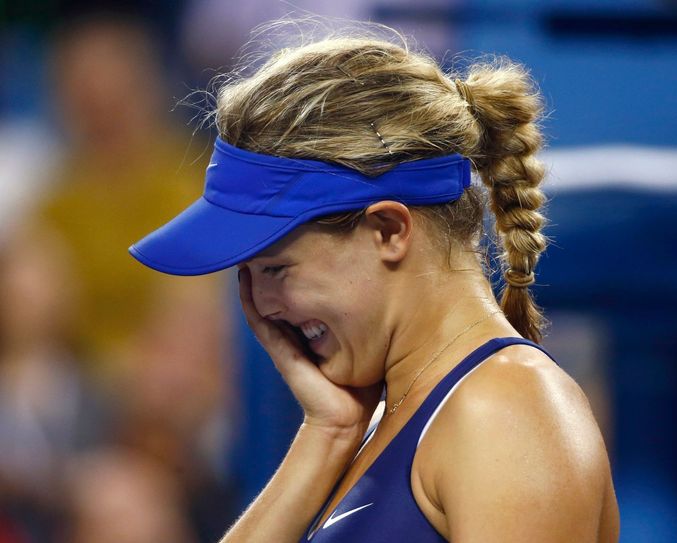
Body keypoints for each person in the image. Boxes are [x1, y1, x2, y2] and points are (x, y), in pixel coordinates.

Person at [129, 24, 620, 542]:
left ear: (388, 231)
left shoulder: (505, 414)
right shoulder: (375, 422)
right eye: (245, 275)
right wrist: (327, 434)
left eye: (274, 269)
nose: (259, 305)